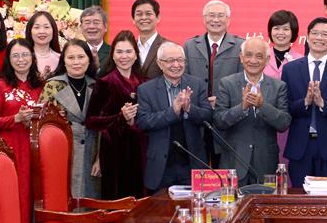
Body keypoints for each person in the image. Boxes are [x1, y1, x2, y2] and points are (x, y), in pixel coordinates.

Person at [281, 17, 327, 187]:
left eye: (324, 34)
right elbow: (285, 108)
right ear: (307, 36)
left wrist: (323, 104)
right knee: (299, 197)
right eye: (315, 33)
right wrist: (305, 101)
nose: (319, 38)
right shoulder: (290, 69)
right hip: (300, 148)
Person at [136, 41, 213, 193]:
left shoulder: (197, 84)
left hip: (192, 163)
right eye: (170, 60)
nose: (176, 65)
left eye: (180, 60)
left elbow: (208, 116)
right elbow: (143, 122)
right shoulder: (146, 89)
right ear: (160, 63)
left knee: (194, 206)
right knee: (160, 207)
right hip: (161, 165)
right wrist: (173, 111)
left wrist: (189, 108)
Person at [213, 37, 291, 185]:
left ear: (267, 60)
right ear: (241, 58)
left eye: (259, 56)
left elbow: (284, 123)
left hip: (266, 163)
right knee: (233, 201)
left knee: (265, 200)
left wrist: (262, 105)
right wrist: (242, 107)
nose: (253, 60)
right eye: (248, 55)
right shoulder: (227, 83)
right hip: (234, 160)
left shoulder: (278, 86)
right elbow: (219, 121)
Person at [0, 38, 43, 223]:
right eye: (15, 56)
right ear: (9, 60)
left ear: (32, 57)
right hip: (9, 150)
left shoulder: (41, 86)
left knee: (35, 197)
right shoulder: (0, 85)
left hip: (34, 148)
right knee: (12, 198)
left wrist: (34, 120)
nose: (21, 59)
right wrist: (16, 118)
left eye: (25, 55)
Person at [86, 30, 146, 199]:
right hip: (113, 150)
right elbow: (91, 121)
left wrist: (134, 120)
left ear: (136, 54)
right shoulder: (105, 82)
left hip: (140, 149)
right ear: (112, 55)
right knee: (116, 199)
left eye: (128, 51)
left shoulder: (144, 82)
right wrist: (120, 117)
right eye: (119, 52)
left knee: (139, 199)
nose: (124, 56)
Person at [43, 40, 100, 198]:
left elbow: (104, 126)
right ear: (64, 61)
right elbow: (42, 124)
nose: (76, 62)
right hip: (62, 150)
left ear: (89, 60)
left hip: (92, 151)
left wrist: (99, 157)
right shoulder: (52, 86)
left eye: (81, 57)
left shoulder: (96, 86)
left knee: (89, 200)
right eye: (71, 57)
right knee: (63, 198)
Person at [183, 0, 244, 110]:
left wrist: (222, 100)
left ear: (228, 20)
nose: (215, 20)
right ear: (204, 19)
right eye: (211, 15)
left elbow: (242, 81)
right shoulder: (189, 46)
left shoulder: (240, 46)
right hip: (196, 108)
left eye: (220, 16)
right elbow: (185, 79)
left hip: (228, 108)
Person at [264, 9, 302, 165]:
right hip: (264, 122)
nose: (280, 33)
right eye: (276, 28)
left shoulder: (301, 60)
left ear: (293, 32)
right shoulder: (260, 57)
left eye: (286, 29)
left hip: (291, 124)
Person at [130, 0, 164, 79]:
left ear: (158, 17)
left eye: (148, 14)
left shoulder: (168, 47)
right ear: (133, 19)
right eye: (139, 14)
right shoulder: (129, 47)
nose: (144, 17)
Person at [26, 10, 61, 80]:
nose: (42, 31)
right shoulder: (23, 58)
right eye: (37, 27)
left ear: (53, 30)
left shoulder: (60, 58)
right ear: (30, 31)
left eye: (46, 27)